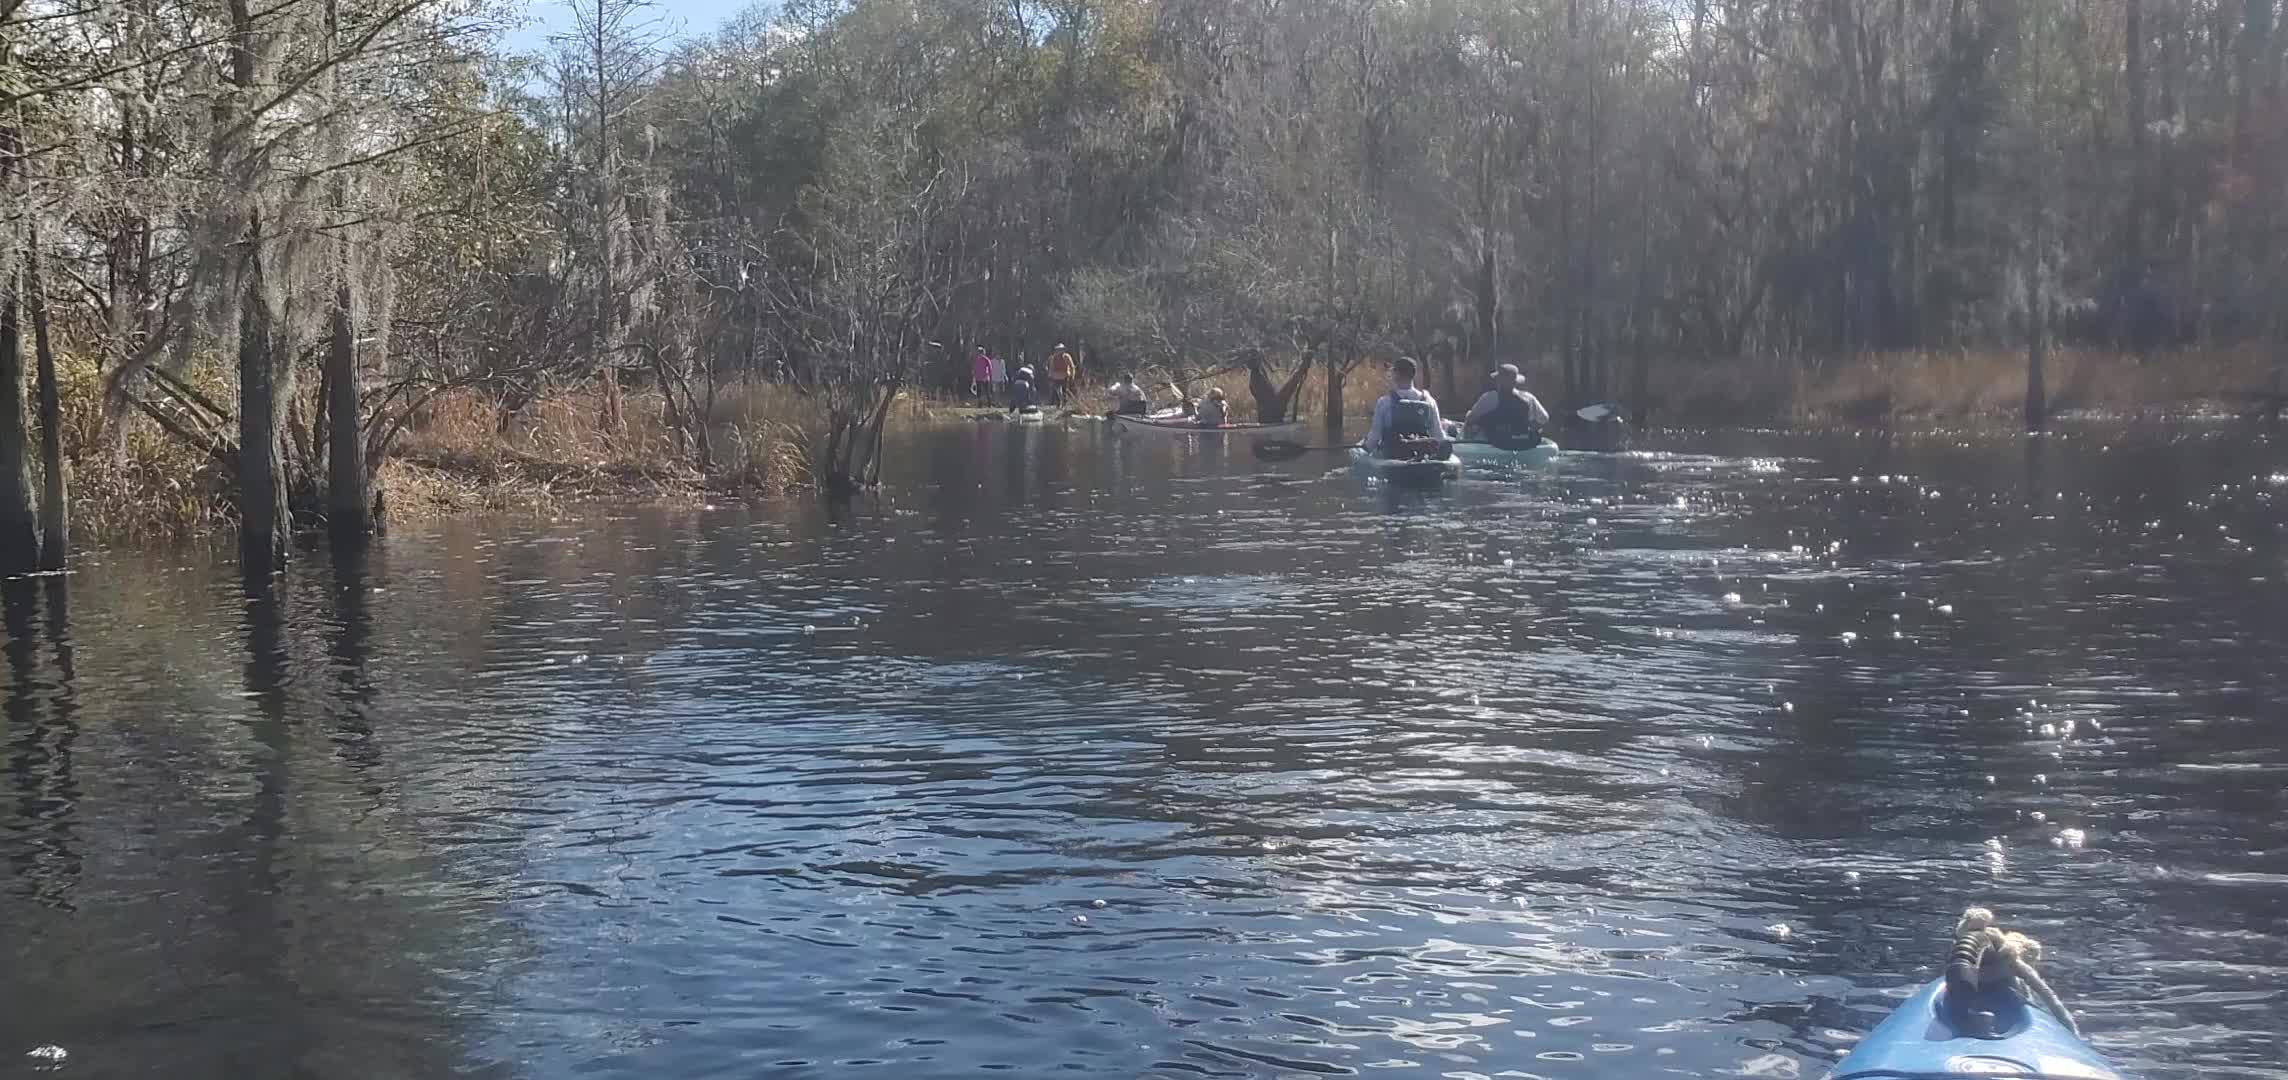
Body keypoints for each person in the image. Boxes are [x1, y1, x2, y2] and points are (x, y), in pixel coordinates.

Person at [1364, 356, 1447, 459]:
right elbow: (1438, 435)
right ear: (1414, 375)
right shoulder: (1429, 401)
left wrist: (1365, 450)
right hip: (1422, 456)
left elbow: (1375, 437)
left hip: (1392, 457)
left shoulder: (1384, 403)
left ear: (1396, 375)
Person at [1462, 362, 1552, 449]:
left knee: (1470, 420)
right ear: (1515, 381)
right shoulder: (1528, 397)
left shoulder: (1490, 397)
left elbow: (1471, 419)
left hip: (1495, 443)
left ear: (1499, 381)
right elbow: (1544, 419)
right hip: (1524, 443)